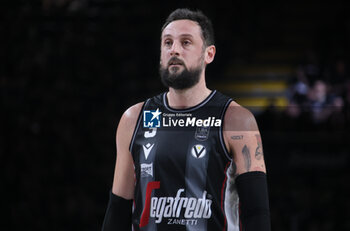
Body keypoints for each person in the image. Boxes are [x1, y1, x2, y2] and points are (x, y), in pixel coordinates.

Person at [102, 8, 271, 231]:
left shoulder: (236, 120)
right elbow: (118, 209)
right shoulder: (135, 118)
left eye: (186, 42)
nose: (175, 50)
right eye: (168, 43)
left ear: (209, 54)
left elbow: (256, 214)